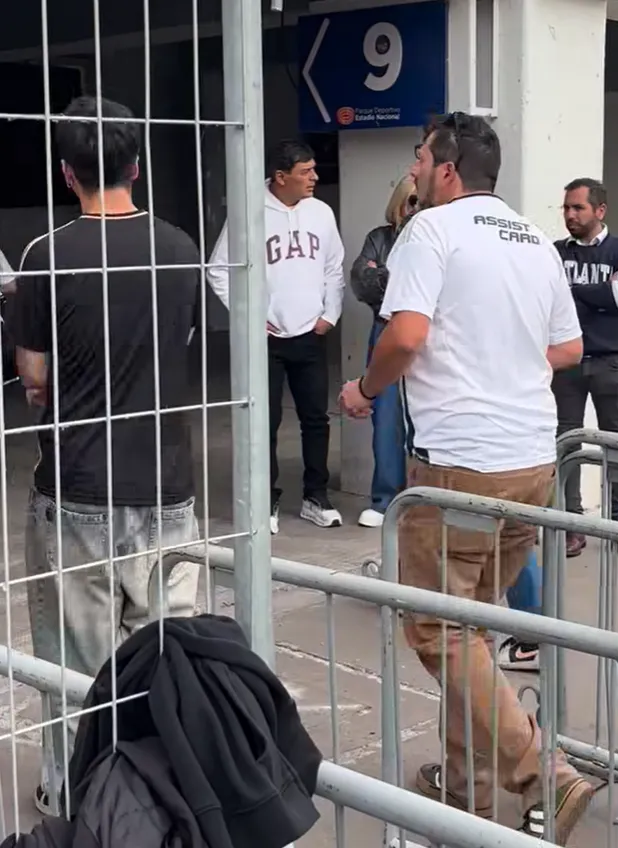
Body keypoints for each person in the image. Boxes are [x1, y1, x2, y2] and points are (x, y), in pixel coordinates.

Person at [339, 112, 593, 845]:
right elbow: (568, 345)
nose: (414, 168)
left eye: (421, 156)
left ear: (447, 168)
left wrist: (365, 390)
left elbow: (406, 336)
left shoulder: (431, 232)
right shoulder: (530, 239)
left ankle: (544, 770)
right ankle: (464, 789)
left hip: (462, 469)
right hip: (530, 463)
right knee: (470, 631)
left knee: (438, 628)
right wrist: (502, 370)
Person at [11, 95, 201, 812]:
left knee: (73, 664)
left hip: (78, 488)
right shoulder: (180, 247)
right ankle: (161, 788)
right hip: (166, 487)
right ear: (139, 168)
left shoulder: (46, 255)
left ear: (68, 174)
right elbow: (176, 347)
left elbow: (33, 375)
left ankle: (77, 797)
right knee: (162, 657)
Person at [208, 139, 345, 534]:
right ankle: (265, 499)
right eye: (306, 172)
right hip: (265, 340)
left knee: (316, 419)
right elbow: (218, 269)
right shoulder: (249, 213)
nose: (315, 178)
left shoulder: (320, 213)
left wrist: (329, 314)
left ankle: (315, 497)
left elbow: (334, 267)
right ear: (280, 177)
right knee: (263, 423)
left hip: (311, 333)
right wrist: (251, 317)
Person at [553, 178, 618, 561]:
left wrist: (569, 292)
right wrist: (598, 296)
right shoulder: (554, 252)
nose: (571, 215)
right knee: (567, 443)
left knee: (616, 442)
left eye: (579, 208)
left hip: (610, 361)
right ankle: (572, 526)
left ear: (600, 211)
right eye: (567, 208)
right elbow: (544, 297)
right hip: (567, 362)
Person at [350, 177, 417, 528]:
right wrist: (400, 281)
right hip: (387, 328)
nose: (416, 208)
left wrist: (388, 276)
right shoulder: (380, 238)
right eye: (411, 201)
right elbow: (363, 282)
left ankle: (424, 497)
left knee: (426, 417)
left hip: (429, 334)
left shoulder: (436, 236)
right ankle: (385, 499)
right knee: (387, 417)